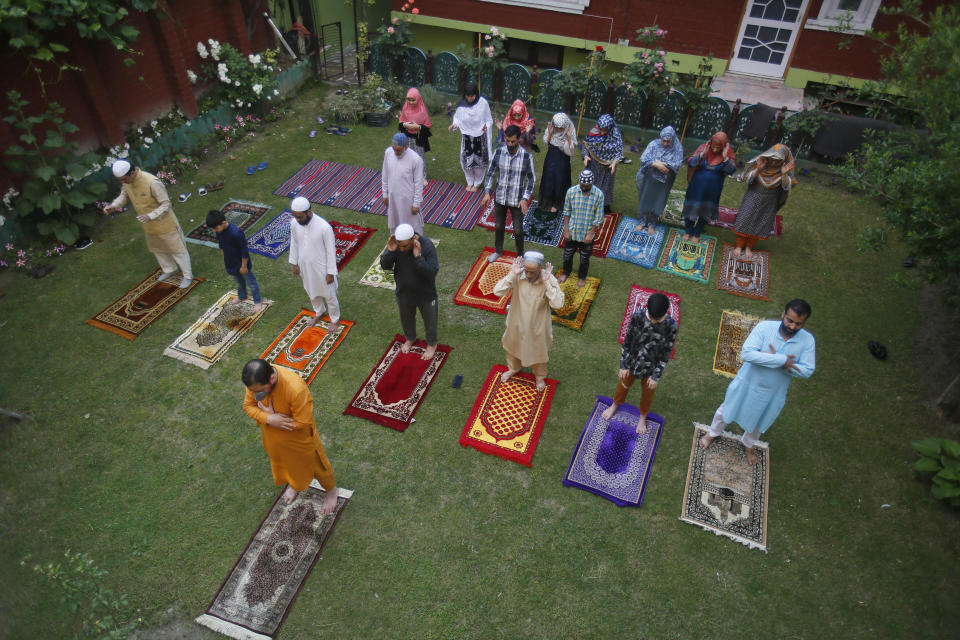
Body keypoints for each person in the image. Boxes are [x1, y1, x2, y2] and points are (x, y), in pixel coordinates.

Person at [700, 299, 816, 465]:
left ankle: (748, 444)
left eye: (799, 324)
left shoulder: (808, 341)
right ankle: (712, 433)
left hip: (772, 393)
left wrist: (770, 360)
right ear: (783, 314)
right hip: (747, 383)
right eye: (790, 320)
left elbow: (807, 370)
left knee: (759, 421)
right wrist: (781, 360)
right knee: (726, 410)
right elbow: (747, 354)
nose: (792, 327)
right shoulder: (764, 328)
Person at [241, 358, 339, 512]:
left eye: (259, 391)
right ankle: (295, 484)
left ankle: (332, 491)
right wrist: (269, 418)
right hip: (273, 439)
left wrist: (278, 420)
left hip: (300, 440)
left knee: (318, 466)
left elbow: (303, 422)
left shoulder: (295, 389)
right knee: (286, 465)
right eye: (253, 391)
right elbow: (248, 405)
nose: (255, 394)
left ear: (271, 379)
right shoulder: (256, 383)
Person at [102, 160, 194, 288]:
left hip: (166, 224)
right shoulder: (127, 182)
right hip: (149, 226)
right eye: (120, 180)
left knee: (177, 250)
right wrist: (114, 206)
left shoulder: (152, 182)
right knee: (159, 249)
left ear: (132, 173)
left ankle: (188, 276)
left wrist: (151, 216)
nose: (122, 182)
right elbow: (124, 196)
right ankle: (170, 269)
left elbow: (166, 204)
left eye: (124, 179)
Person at [601, 293, 678, 433]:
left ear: (666, 313)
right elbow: (627, 341)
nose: (654, 322)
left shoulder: (671, 325)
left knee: (648, 394)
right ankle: (615, 405)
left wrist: (656, 376)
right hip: (632, 363)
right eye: (652, 318)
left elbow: (666, 352)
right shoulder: (638, 316)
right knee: (622, 386)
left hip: (652, 368)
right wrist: (624, 365)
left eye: (658, 319)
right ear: (647, 309)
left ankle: (643, 417)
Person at [493, 251, 565, 392]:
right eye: (527, 271)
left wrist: (546, 283)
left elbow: (558, 304)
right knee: (512, 348)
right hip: (516, 322)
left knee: (538, 352)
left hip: (537, 327)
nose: (529, 275)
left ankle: (539, 376)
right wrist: (512, 274)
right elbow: (497, 291)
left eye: (532, 272)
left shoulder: (548, 279)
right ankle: (513, 369)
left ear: (540, 268)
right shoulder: (519, 274)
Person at [379, 223, 439, 360]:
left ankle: (431, 344)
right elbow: (385, 265)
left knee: (430, 320)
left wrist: (418, 257)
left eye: (405, 246)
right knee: (406, 318)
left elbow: (432, 272)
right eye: (400, 246)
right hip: (404, 291)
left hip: (426, 293)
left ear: (414, 239)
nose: (402, 249)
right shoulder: (397, 245)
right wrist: (390, 251)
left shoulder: (427, 246)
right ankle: (410, 338)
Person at [480, 125, 537, 262]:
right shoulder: (498, 153)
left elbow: (531, 179)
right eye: (507, 141)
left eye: (513, 141)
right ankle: (498, 251)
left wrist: (525, 199)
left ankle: (520, 256)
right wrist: (487, 192)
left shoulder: (526, 156)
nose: (510, 144)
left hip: (517, 200)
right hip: (500, 197)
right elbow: (490, 173)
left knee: (518, 230)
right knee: (499, 226)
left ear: (518, 139)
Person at [733, 143, 797, 258]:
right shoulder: (761, 163)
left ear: (783, 161)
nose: (773, 163)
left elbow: (787, 186)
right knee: (745, 218)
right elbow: (747, 179)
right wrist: (758, 169)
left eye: (777, 161)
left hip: (769, 202)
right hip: (752, 198)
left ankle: (748, 246)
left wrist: (783, 174)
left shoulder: (784, 171)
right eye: (772, 159)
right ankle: (739, 245)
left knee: (760, 222)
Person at [288, 196, 340, 331]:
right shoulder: (294, 223)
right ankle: (319, 312)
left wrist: (330, 273)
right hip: (305, 266)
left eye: (300, 217)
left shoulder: (324, 228)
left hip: (322, 268)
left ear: (309, 212)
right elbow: (294, 243)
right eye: (295, 216)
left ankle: (335, 319)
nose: (297, 220)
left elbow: (331, 252)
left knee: (329, 295)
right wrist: (294, 263)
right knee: (311, 291)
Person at [681, 131, 737, 242]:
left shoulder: (728, 154)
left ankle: (697, 233)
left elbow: (731, 171)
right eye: (713, 146)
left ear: (724, 146)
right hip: (696, 186)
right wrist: (702, 154)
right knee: (691, 207)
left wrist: (725, 157)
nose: (715, 149)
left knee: (705, 211)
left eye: (718, 147)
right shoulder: (703, 147)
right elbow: (691, 163)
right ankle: (688, 231)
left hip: (712, 189)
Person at [206, 209, 263, 312]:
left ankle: (258, 301)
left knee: (252, 284)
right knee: (239, 282)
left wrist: (244, 266)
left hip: (242, 264)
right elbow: (221, 246)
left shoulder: (236, 233)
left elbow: (244, 251)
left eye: (215, 228)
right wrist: (225, 259)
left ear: (223, 223)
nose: (214, 230)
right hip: (231, 264)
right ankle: (242, 296)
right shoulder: (219, 232)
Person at [634, 125, 684, 234]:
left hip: (665, 181)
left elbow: (677, 164)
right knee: (645, 197)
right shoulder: (654, 144)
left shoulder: (677, 148)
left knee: (658, 200)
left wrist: (665, 165)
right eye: (663, 141)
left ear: (673, 139)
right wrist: (656, 164)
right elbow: (643, 158)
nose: (665, 143)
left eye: (668, 141)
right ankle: (642, 222)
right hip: (649, 178)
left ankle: (652, 223)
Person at [560, 170, 605, 287]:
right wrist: (566, 230)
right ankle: (566, 272)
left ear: (592, 183)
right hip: (573, 231)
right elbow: (566, 212)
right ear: (579, 182)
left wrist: (591, 234)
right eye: (582, 185)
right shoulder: (571, 192)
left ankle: (582, 277)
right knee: (567, 255)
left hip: (586, 233)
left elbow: (598, 217)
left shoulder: (599, 195)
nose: (584, 187)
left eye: (587, 186)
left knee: (584, 259)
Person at [448, 82, 493, 192]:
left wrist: (486, 126)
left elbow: (489, 120)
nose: (469, 99)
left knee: (479, 161)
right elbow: (457, 119)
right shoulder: (462, 105)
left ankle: (477, 182)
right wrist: (454, 125)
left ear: (476, 95)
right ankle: (469, 180)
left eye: (472, 96)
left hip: (479, 137)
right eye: (467, 96)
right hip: (467, 137)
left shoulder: (483, 103)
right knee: (466, 160)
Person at [381, 132, 425, 235]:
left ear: (406, 146)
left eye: (399, 150)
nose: (396, 152)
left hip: (408, 200)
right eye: (394, 149)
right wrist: (385, 194)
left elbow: (419, 183)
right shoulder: (388, 153)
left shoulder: (416, 160)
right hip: (393, 198)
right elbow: (385, 174)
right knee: (394, 224)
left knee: (412, 227)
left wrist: (416, 203)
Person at [581, 114, 622, 213]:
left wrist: (614, 163)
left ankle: (605, 207)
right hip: (593, 165)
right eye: (601, 130)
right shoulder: (594, 132)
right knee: (591, 184)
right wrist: (585, 156)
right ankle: (589, 205)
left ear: (610, 127)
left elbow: (618, 151)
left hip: (608, 167)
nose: (602, 133)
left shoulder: (615, 135)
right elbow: (586, 145)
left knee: (606, 186)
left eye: (605, 130)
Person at [539, 112, 577, 213]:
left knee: (560, 181)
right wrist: (550, 133)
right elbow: (546, 142)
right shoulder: (552, 128)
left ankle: (558, 204)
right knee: (548, 179)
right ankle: (547, 203)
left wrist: (568, 137)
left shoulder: (570, 129)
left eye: (562, 128)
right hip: (551, 158)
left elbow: (571, 151)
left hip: (562, 160)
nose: (559, 130)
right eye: (558, 127)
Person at [398, 87, 432, 183]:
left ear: (418, 99)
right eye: (409, 100)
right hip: (408, 137)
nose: (411, 102)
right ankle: (410, 174)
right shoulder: (406, 108)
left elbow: (427, 125)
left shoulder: (422, 110)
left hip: (418, 138)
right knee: (408, 155)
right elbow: (401, 123)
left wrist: (418, 127)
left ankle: (423, 176)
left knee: (420, 157)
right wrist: (405, 124)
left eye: (413, 100)